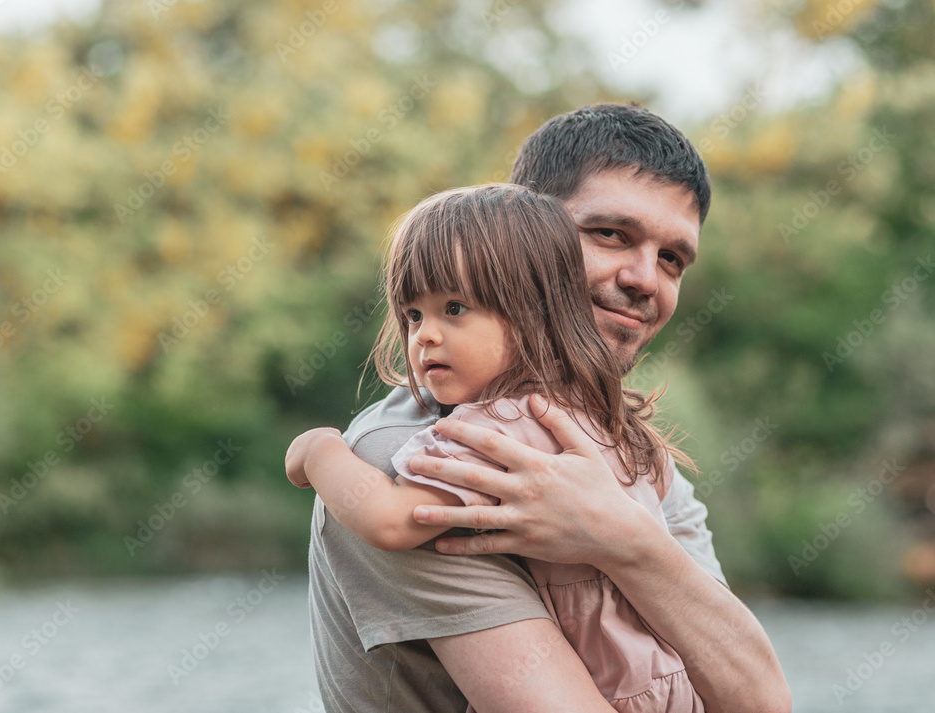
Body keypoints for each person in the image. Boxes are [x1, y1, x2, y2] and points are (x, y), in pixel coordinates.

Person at [295, 103, 790, 713]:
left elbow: (761, 701)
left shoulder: (623, 447)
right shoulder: (402, 459)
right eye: (611, 234)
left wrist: (624, 539)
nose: (645, 279)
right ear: (523, 233)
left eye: (672, 259)